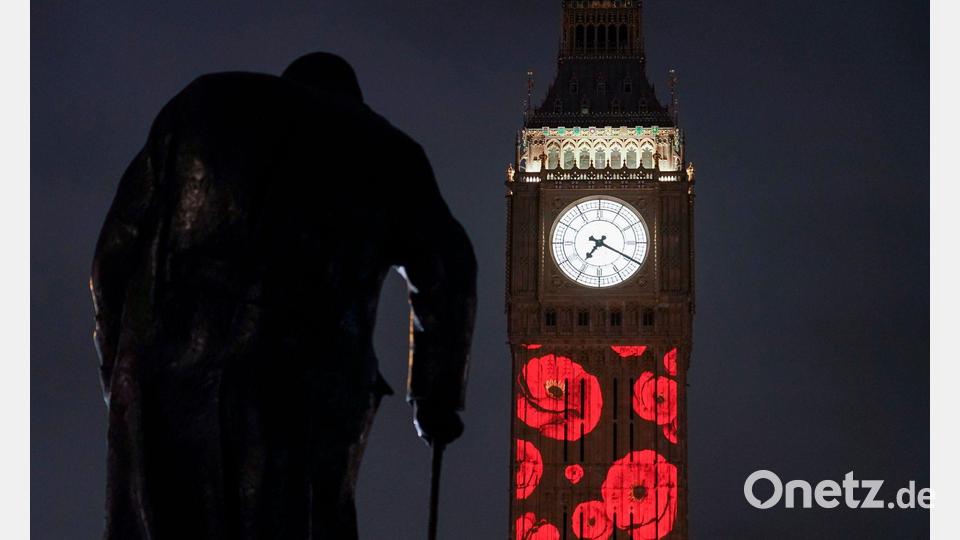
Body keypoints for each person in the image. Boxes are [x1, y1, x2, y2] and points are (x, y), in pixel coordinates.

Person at [90, 52, 477, 540]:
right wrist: (435, 399)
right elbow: (448, 269)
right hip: (299, 382)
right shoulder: (387, 151)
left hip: (164, 375)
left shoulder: (199, 104)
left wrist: (118, 370)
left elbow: (112, 253)